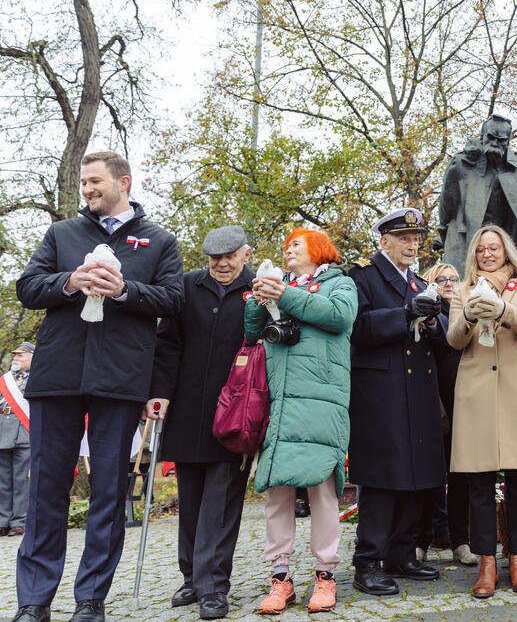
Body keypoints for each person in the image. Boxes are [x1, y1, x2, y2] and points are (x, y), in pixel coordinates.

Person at [13, 151, 183, 622]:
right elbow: (27, 287)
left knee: (109, 491)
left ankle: (90, 600)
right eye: (83, 183)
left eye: (93, 181)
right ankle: (33, 601)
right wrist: (69, 281)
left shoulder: (159, 241)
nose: (86, 189)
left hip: (120, 380)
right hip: (58, 377)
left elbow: (173, 301)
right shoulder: (61, 234)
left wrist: (124, 290)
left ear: (122, 182)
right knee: (47, 489)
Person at [245, 228, 357, 614]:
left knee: (323, 491)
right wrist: (259, 301)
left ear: (319, 249)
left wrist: (283, 294)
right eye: (286, 245)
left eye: (297, 243)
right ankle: (280, 579)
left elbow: (339, 317)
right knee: (277, 493)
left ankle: (326, 576)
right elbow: (251, 333)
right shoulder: (281, 284)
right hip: (278, 402)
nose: (288, 250)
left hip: (321, 402)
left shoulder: (340, 283)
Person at [147, 226, 255, 619]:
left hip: (236, 413)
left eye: (229, 257)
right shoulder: (187, 287)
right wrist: (158, 393)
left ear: (245, 254)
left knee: (221, 503)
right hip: (187, 411)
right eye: (214, 258)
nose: (222, 265)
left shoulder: (260, 290)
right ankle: (192, 577)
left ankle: (214, 586)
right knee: (191, 500)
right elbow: (167, 343)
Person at [447, 224, 517, 599]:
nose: (488, 254)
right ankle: (486, 564)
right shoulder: (463, 289)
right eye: (481, 250)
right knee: (478, 483)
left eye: (494, 248)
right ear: (474, 256)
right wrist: (468, 316)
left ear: (506, 251)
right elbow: (453, 339)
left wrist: (502, 310)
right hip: (476, 392)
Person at [347, 208, 448, 596]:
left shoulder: (420, 282)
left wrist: (435, 319)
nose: (412, 245)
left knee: (418, 475)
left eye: (416, 238)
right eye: (404, 238)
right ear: (383, 241)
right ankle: (368, 561)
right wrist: (405, 312)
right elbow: (356, 327)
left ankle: (402, 554)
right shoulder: (363, 276)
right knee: (382, 480)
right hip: (381, 392)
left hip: (418, 391)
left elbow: (434, 341)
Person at [416, 263, 478, 566]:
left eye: (454, 279)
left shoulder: (467, 312)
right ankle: (421, 541)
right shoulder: (426, 316)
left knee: (460, 477)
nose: (449, 283)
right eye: (441, 279)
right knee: (429, 476)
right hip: (430, 403)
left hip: (462, 404)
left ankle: (460, 540)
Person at [438, 114, 517, 275]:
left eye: (502, 140)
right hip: (465, 240)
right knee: (459, 290)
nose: (496, 143)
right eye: (491, 138)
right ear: (482, 136)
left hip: (504, 246)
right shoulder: (461, 164)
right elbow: (446, 208)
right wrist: (444, 235)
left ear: (508, 141)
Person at [0, 342, 34, 538]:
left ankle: (19, 521)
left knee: (22, 480)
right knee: (3, 481)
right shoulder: (5, 380)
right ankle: (3, 521)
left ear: (32, 358)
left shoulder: (38, 378)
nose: (16, 358)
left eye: (21, 355)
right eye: (15, 355)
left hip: (24, 433)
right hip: (3, 431)